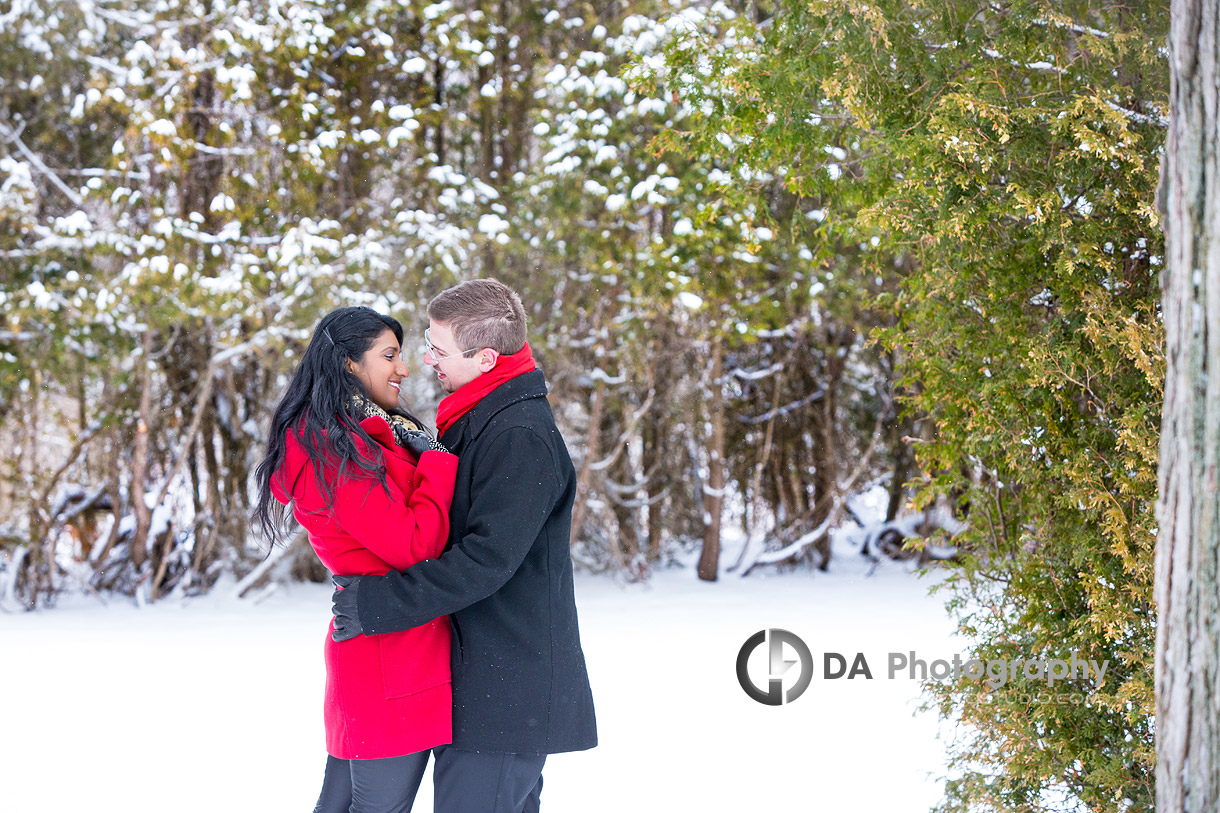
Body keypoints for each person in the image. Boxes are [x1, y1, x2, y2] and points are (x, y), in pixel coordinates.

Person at [330, 279, 597, 813]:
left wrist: (380, 603)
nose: (426, 359)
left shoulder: (519, 435)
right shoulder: (478, 416)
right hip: (480, 683)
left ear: (485, 358)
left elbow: (485, 561)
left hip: (507, 691)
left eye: (439, 348)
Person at [252, 306, 459, 813]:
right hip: (388, 658)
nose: (404, 369)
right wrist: (435, 460)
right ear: (348, 364)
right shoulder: (327, 443)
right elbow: (414, 545)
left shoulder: (360, 433)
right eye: (389, 355)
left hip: (396, 647)